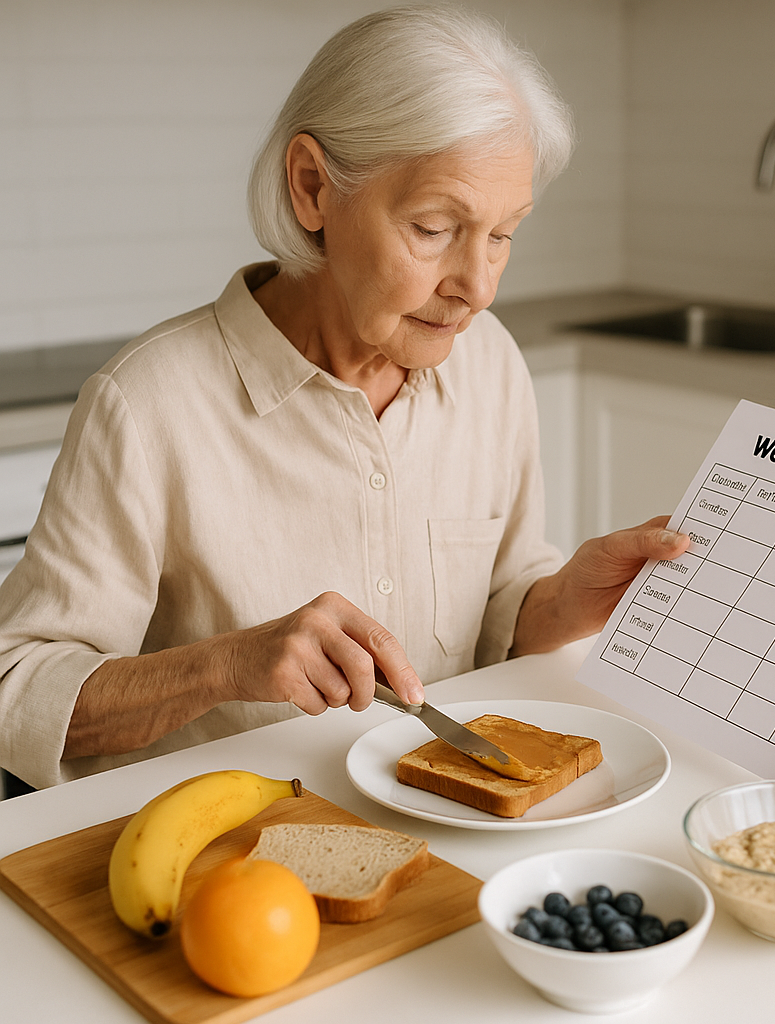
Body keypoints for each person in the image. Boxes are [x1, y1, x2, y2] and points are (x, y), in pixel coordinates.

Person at [0, 5, 688, 790]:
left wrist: (566, 597)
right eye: (434, 228)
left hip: (445, 845)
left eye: (502, 234)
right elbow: (16, 685)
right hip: (226, 867)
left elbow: (494, 615)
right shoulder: (147, 403)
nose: (480, 287)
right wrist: (227, 665)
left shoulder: (490, 364)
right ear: (312, 188)